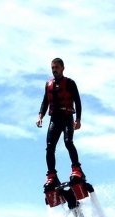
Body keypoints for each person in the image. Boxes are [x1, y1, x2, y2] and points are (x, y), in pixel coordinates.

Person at [36, 57, 84, 193]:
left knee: (68, 142)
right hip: (55, 119)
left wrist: (78, 119)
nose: (54, 70)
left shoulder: (70, 83)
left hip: (67, 116)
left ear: (62, 68)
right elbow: (45, 102)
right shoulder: (48, 85)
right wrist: (40, 116)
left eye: (56, 67)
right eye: (52, 68)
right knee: (50, 148)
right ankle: (51, 175)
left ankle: (76, 169)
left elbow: (78, 102)